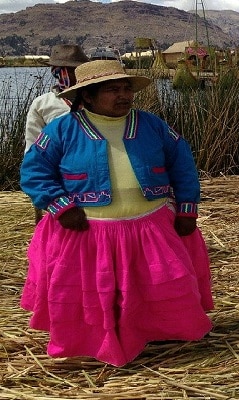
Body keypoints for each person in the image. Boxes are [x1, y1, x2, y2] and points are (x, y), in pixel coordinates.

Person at [19, 60, 214, 367]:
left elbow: (182, 163)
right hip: (87, 232)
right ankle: (96, 341)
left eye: (126, 88)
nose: (124, 95)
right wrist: (59, 206)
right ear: (87, 97)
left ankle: (156, 332)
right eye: (112, 90)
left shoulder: (152, 125)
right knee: (96, 292)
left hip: (150, 227)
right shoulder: (62, 130)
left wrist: (187, 208)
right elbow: (34, 171)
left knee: (158, 284)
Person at [25, 45, 90, 223]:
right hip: (58, 169)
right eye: (68, 70)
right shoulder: (43, 104)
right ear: (57, 72)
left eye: (76, 70)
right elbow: (33, 145)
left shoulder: (97, 100)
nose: (73, 75)